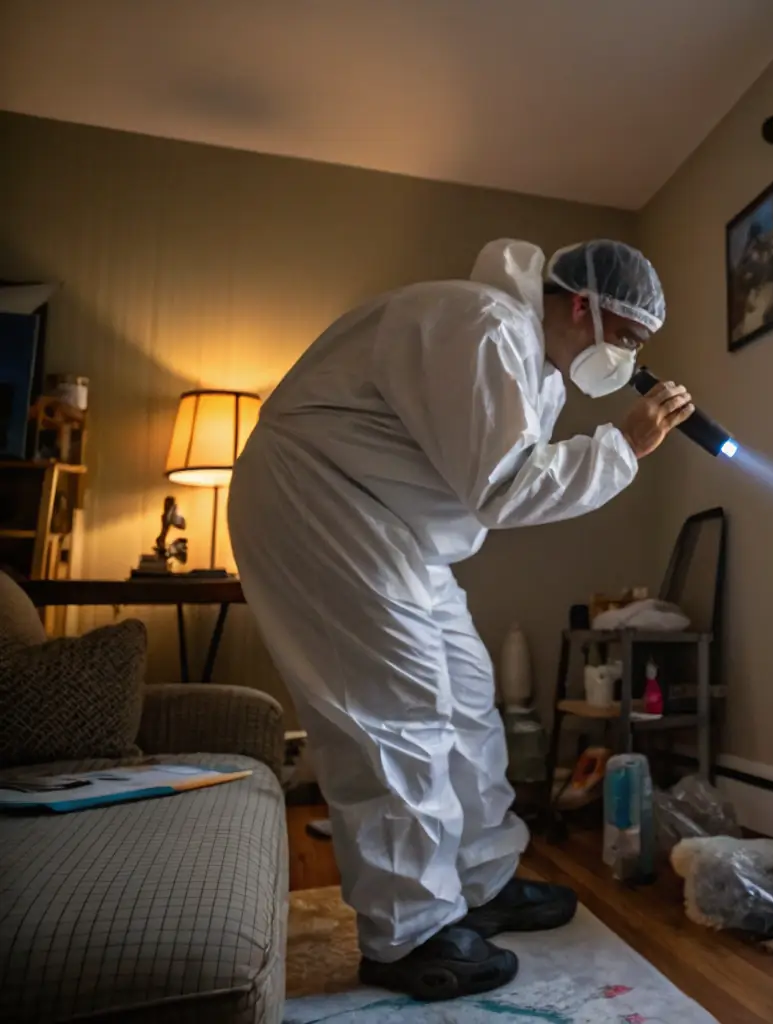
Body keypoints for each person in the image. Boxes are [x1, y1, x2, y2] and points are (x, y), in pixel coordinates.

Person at [227, 239, 691, 1001]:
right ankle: (408, 932)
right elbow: (503, 488)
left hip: (391, 524)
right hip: (322, 502)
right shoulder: (482, 325)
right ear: (584, 307)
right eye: (630, 340)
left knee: (468, 695)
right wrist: (625, 446)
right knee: (396, 713)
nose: (628, 359)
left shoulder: (526, 356)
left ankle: (481, 882)